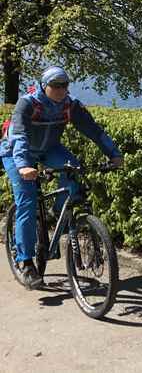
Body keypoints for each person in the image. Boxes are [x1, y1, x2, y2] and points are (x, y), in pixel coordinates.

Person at [0, 66, 123, 289]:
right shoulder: (27, 103)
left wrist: (113, 153)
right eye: (55, 85)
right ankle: (26, 262)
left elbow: (94, 130)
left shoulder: (70, 105)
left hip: (49, 148)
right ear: (43, 85)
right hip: (15, 152)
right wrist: (23, 166)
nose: (60, 90)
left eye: (64, 85)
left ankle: (59, 212)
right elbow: (18, 136)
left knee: (73, 169)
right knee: (27, 201)